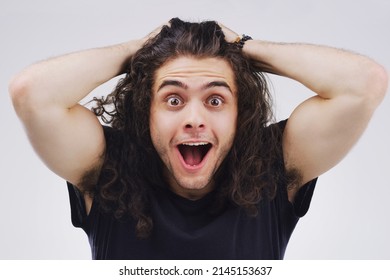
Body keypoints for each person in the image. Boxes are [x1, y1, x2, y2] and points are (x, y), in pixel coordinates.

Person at [9, 18, 387, 260]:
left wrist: (244, 46)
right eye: (173, 99)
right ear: (146, 111)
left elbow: (364, 83)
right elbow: (32, 93)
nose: (194, 119)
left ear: (242, 113)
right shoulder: (108, 167)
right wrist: (137, 52)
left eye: (215, 99)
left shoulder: (274, 166)